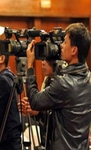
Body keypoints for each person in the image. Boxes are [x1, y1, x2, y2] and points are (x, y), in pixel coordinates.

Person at [25, 22, 91, 150]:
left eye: (65, 42)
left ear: (74, 50)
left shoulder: (64, 83)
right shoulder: (89, 79)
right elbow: (65, 117)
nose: (61, 45)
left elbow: (34, 101)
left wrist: (30, 66)